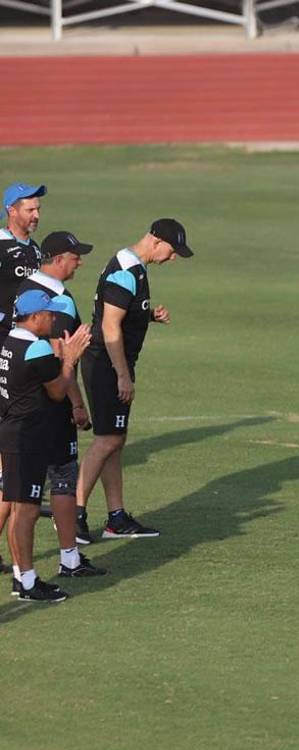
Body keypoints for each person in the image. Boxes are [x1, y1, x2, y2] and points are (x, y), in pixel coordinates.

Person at [76, 219, 192, 540]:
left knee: (116, 439)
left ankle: (115, 518)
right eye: (172, 250)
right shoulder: (125, 271)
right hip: (106, 364)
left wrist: (148, 315)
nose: (173, 258)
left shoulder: (135, 268)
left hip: (112, 364)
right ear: (155, 240)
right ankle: (74, 513)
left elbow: (120, 314)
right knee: (107, 440)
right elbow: (110, 327)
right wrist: (123, 376)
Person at [14, 233, 105, 574]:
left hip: (18, 405)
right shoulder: (57, 301)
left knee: (12, 490)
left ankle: (24, 570)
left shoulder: (25, 290)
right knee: (63, 481)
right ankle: (68, 559)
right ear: (56, 258)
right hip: (49, 405)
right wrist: (77, 404)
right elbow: (61, 357)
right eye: (74, 255)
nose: (79, 261)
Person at [0, 289, 91, 601]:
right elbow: (57, 391)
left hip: (12, 433)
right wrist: (70, 360)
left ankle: (21, 577)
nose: (53, 318)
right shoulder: (36, 348)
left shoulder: (8, 341)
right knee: (25, 511)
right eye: (50, 313)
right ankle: (27, 582)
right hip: (27, 438)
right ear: (36, 317)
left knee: (18, 508)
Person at [0, 183, 45, 336]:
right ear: (12, 211)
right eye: (30, 210)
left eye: (38, 209)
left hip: (30, 336)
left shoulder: (34, 248)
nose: (37, 216)